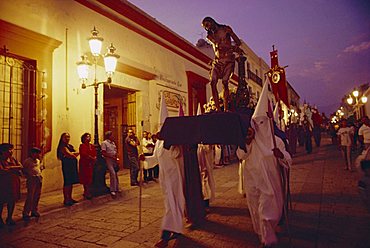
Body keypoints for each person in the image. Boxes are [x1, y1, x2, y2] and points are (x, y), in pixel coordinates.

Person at [237, 119, 292, 247]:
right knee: (256, 210)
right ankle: (263, 236)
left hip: (270, 183)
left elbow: (288, 160)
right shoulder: (249, 141)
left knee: (267, 212)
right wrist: (247, 143)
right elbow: (240, 155)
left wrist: (281, 156)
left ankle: (268, 239)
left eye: (262, 123)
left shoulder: (276, 141)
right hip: (252, 181)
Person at [143, 133, 185, 248]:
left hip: (174, 179)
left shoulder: (174, 143)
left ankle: (164, 237)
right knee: (170, 205)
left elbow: (177, 154)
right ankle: (177, 229)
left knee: (173, 205)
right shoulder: (158, 143)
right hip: (164, 180)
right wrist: (146, 158)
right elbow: (156, 158)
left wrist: (172, 143)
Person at [201, 16, 242, 112]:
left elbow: (238, 42)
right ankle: (218, 109)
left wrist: (232, 47)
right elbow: (216, 48)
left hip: (228, 60)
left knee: (225, 82)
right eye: (205, 27)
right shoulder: (210, 36)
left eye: (207, 25)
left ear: (212, 21)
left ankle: (226, 108)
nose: (207, 28)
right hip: (217, 61)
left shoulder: (225, 29)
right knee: (212, 82)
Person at [0, 143, 22, 227]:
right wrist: (14, 169)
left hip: (13, 182)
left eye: (12, 149)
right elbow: (2, 171)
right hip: (3, 183)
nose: (11, 151)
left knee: (12, 200)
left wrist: (11, 168)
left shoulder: (12, 159)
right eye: (9, 149)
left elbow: (20, 166)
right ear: (2, 151)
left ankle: (9, 217)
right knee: (1, 201)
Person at [57, 133, 80, 206]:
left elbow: (74, 153)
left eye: (68, 137)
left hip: (72, 165)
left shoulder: (69, 146)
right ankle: (66, 199)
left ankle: (70, 197)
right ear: (62, 138)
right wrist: (73, 154)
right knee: (67, 182)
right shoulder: (62, 146)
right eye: (66, 137)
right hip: (67, 166)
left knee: (71, 183)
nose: (67, 138)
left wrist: (73, 154)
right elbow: (70, 155)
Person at [22, 147, 43, 220]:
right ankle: (26, 212)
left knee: (37, 195)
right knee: (30, 196)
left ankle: (34, 210)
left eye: (38, 153)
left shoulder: (38, 160)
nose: (37, 155)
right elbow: (24, 170)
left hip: (38, 178)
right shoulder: (27, 161)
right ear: (31, 153)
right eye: (35, 153)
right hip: (32, 179)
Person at [197, 144, 216, 210]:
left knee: (205, 180)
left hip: (205, 163)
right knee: (204, 180)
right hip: (202, 156)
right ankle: (204, 202)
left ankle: (205, 202)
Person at [101, 131, 120, 197]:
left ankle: (116, 187)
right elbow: (103, 152)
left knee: (116, 173)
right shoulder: (104, 143)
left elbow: (115, 151)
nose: (113, 136)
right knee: (112, 173)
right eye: (112, 135)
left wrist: (116, 158)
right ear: (109, 136)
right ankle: (112, 190)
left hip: (114, 159)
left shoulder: (113, 143)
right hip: (108, 159)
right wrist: (111, 156)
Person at [79, 133, 96, 200]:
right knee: (85, 178)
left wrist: (94, 157)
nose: (88, 138)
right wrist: (91, 158)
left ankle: (89, 191)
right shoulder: (82, 146)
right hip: (85, 164)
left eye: (89, 137)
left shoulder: (91, 146)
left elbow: (94, 152)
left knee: (90, 178)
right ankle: (86, 192)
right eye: (87, 137)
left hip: (91, 164)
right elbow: (84, 154)